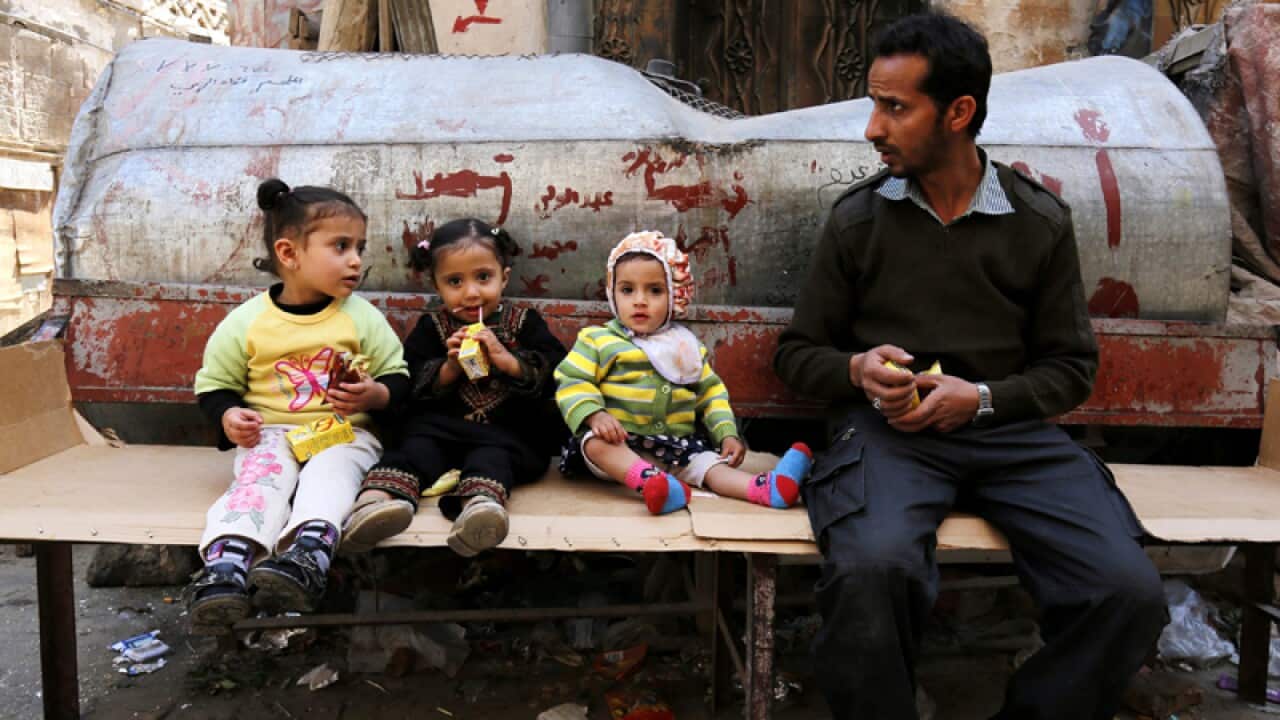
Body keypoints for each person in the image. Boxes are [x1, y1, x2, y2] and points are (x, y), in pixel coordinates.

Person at [773, 13, 1167, 719]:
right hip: (889, 441)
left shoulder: (1036, 221)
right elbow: (798, 353)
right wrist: (858, 370)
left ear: (958, 112)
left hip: (1012, 438)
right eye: (874, 102)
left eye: (895, 107)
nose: (872, 126)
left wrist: (980, 398)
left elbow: (1070, 368)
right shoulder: (860, 221)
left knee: (1126, 590)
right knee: (871, 570)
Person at [188, 178, 408, 627]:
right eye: (341, 246)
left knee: (331, 476)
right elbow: (214, 385)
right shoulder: (247, 322)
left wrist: (375, 394)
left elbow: (398, 378)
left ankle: (307, 556)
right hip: (271, 434)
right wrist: (230, 416)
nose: (355, 260)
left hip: (343, 434)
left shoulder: (361, 317)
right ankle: (227, 565)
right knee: (258, 482)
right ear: (289, 254)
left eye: (359, 248)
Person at [343, 219, 567, 556]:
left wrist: (507, 360)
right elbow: (410, 378)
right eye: (455, 281)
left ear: (504, 277)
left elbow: (555, 369)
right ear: (436, 285)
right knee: (415, 451)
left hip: (505, 433)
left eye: (483, 278)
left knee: (493, 461)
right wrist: (448, 368)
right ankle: (377, 502)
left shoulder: (524, 323)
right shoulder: (433, 326)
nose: (471, 292)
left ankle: (477, 509)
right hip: (441, 429)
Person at [556, 231, 814, 515]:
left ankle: (766, 488)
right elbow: (572, 380)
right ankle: (649, 482)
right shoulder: (597, 340)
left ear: (675, 294)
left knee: (711, 466)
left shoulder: (686, 348)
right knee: (595, 443)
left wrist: (727, 434)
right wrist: (595, 414)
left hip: (677, 448)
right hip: (621, 446)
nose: (640, 301)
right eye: (628, 290)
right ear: (612, 291)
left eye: (654, 290)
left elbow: (711, 395)